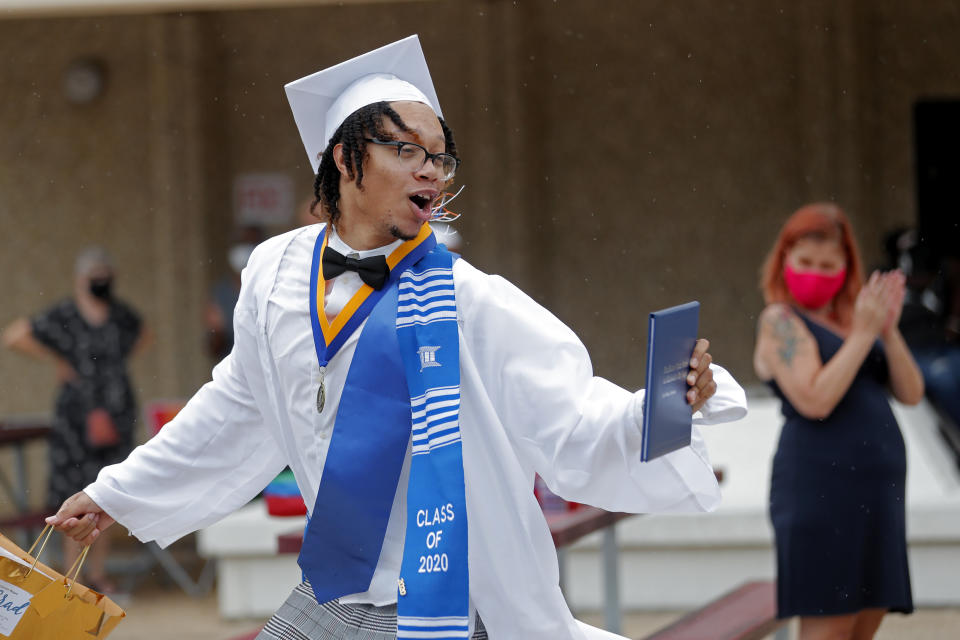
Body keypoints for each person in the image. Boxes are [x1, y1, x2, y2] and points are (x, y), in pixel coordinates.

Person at [47, 36, 747, 640]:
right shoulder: (273, 274)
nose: (431, 172)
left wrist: (664, 405)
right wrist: (118, 493)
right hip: (334, 588)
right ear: (346, 158)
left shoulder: (468, 299)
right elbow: (238, 406)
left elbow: (569, 414)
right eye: (407, 150)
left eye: (440, 159)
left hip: (439, 593)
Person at [753, 203, 925, 640]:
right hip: (821, 491)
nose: (815, 272)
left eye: (827, 265)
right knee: (828, 627)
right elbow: (815, 398)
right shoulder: (780, 322)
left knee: (865, 624)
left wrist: (887, 329)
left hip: (876, 495)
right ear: (784, 260)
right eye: (805, 262)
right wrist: (866, 334)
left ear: (846, 269)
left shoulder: (856, 321)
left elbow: (911, 392)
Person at [2, 246, 148, 593]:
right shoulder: (64, 314)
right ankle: (72, 578)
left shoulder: (120, 315)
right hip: (76, 420)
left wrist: (113, 369)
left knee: (108, 492)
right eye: (94, 277)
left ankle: (97, 574)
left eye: (105, 276)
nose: (101, 282)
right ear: (80, 280)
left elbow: (144, 335)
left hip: (115, 415)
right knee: (74, 495)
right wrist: (57, 360)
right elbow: (14, 335)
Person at [204, 225, 266, 362]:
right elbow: (213, 349)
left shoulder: (271, 288)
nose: (243, 251)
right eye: (240, 244)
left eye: (250, 244)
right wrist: (217, 331)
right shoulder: (221, 292)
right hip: (235, 373)